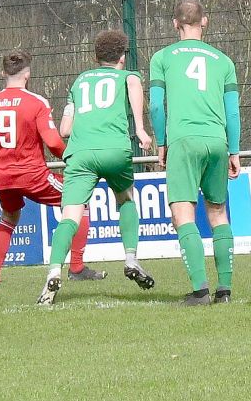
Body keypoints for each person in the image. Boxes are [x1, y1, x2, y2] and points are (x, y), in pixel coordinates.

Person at [37, 31, 155, 305]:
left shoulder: (80, 81)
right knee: (126, 200)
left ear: (95, 58)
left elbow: (65, 129)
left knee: (70, 216)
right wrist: (140, 129)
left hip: (80, 153)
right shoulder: (128, 76)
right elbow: (135, 85)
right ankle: (130, 259)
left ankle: (54, 270)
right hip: (114, 150)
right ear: (122, 58)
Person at [0, 50, 102, 286]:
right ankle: (77, 267)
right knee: (79, 201)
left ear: (2, 73)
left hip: (2, 177)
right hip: (32, 174)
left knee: (9, 216)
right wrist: (70, 158)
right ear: (28, 74)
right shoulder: (36, 102)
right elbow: (52, 142)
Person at [149, 0, 241, 306]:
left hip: (184, 140)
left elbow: (156, 105)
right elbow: (233, 113)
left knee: (183, 213)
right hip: (217, 141)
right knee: (218, 212)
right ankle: (224, 290)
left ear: (175, 24)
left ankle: (200, 289)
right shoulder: (223, 61)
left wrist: (161, 142)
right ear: (205, 21)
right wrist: (235, 149)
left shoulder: (162, 57)